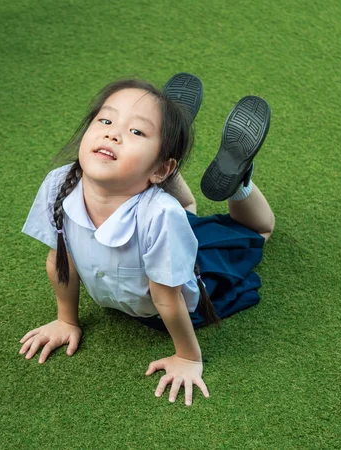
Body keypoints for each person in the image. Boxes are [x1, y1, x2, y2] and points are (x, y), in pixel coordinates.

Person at [19, 74, 275, 406]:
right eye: (106, 120)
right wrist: (66, 319)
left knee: (257, 234)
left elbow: (168, 298)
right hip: (157, 218)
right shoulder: (59, 183)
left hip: (189, 274)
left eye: (136, 131)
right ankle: (166, 137)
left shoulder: (161, 217)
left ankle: (240, 183)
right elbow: (60, 259)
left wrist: (188, 357)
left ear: (159, 171)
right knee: (185, 211)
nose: (112, 132)